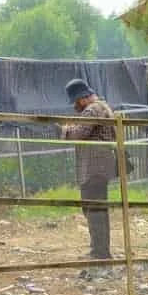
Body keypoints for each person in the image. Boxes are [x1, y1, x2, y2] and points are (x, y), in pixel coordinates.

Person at [60, 78, 116, 268]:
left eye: (75, 102)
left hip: (94, 169)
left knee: (95, 211)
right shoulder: (104, 107)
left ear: (82, 98)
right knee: (95, 210)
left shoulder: (93, 109)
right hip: (98, 168)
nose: (75, 106)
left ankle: (100, 253)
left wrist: (65, 130)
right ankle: (100, 249)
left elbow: (78, 133)